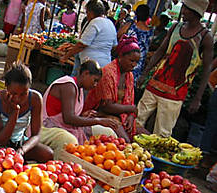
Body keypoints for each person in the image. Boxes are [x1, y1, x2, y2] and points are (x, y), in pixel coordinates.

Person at [136, 0, 213, 137]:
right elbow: (161, 51)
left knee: (162, 133)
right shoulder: (176, 27)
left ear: (196, 13)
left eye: (186, 9)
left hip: (175, 95)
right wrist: (145, 74)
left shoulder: (205, 37)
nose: (182, 11)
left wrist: (197, 98)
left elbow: (206, 70)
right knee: (136, 121)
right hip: (154, 85)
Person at [0, 62, 53, 162]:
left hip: (18, 142)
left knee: (47, 154)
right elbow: (0, 140)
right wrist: (14, 113)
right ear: (6, 87)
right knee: (5, 159)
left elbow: (36, 135)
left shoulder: (35, 99)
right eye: (13, 93)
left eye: (23, 94)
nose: (18, 99)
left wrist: (22, 150)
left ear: (29, 88)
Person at [40, 60, 119, 156]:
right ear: (86, 74)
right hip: (46, 127)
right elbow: (69, 118)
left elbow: (70, 114)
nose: (95, 85)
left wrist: (83, 115)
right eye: (95, 80)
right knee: (69, 141)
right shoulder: (68, 85)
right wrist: (97, 120)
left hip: (64, 126)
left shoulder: (80, 89)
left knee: (108, 132)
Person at [84, 35, 144, 142]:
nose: (134, 65)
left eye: (136, 62)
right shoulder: (108, 73)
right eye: (131, 61)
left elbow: (130, 102)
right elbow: (107, 106)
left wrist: (131, 116)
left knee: (145, 136)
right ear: (120, 57)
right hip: (103, 114)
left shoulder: (129, 75)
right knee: (126, 141)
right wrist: (131, 109)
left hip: (121, 115)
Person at [60, 0, 117, 71]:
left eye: (87, 12)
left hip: (92, 66)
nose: (87, 16)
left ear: (91, 12)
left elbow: (82, 45)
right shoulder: (110, 23)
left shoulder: (95, 22)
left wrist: (65, 57)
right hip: (105, 64)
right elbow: (114, 46)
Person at [117, 4, 153, 82]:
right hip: (138, 65)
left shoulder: (130, 25)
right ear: (147, 17)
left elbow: (118, 35)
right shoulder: (150, 32)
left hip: (124, 61)